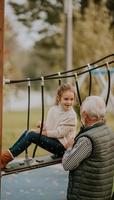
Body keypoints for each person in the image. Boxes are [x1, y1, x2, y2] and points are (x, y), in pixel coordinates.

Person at [1, 83, 77, 169]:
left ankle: (4, 159)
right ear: (59, 98)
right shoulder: (54, 109)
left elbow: (59, 133)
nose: (69, 102)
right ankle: (7, 154)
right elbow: (50, 126)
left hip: (64, 147)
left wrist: (40, 132)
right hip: (55, 141)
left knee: (31, 135)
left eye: (71, 99)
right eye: (66, 99)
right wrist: (43, 126)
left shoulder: (71, 115)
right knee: (28, 132)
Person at [62, 96, 114, 200]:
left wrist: (69, 147)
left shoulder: (87, 140)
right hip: (103, 192)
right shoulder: (108, 131)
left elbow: (67, 164)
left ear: (85, 114)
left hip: (86, 195)